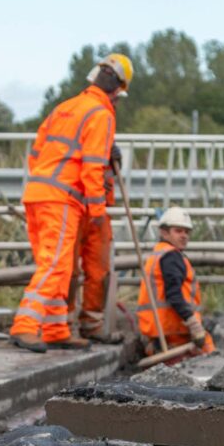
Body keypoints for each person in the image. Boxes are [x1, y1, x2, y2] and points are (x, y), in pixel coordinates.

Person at [10, 53, 134, 353]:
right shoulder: (100, 115)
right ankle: (25, 325)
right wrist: (96, 210)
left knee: (59, 266)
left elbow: (37, 152)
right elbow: (92, 167)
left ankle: (55, 329)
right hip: (63, 199)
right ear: (118, 90)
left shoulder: (65, 107)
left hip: (38, 193)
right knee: (55, 266)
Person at [66, 143, 125, 344]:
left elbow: (103, 173)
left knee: (100, 269)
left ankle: (92, 323)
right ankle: (64, 324)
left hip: (99, 209)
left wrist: (116, 162)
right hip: (73, 205)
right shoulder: (83, 128)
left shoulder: (104, 130)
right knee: (69, 269)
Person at [137, 206, 215, 356]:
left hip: (159, 332)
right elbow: (174, 295)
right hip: (175, 331)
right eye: (178, 231)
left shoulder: (159, 254)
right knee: (210, 357)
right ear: (164, 232)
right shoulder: (171, 257)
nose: (184, 236)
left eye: (186, 232)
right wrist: (193, 323)